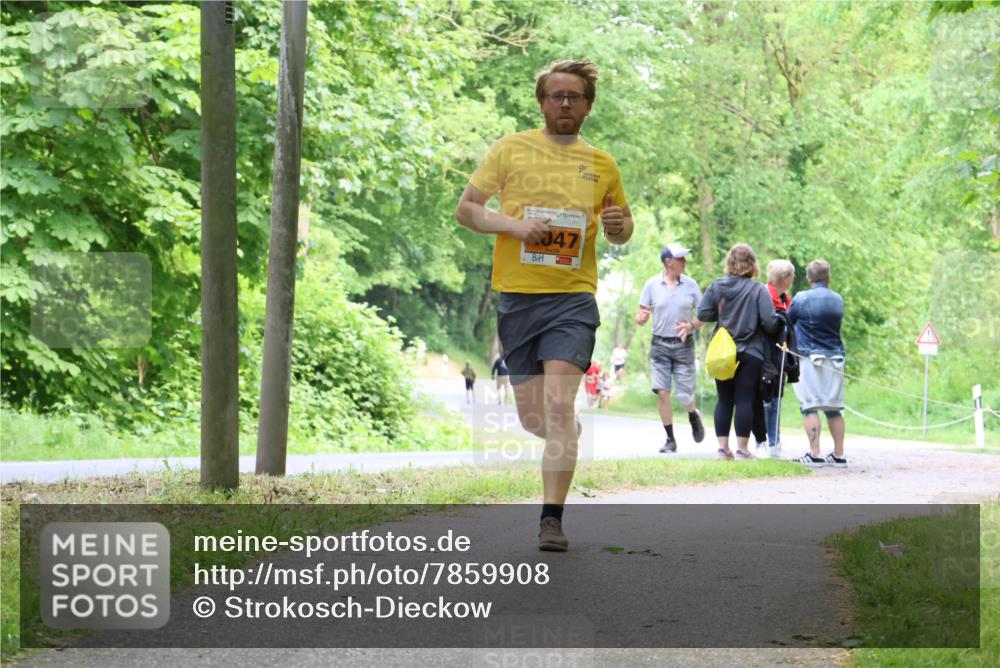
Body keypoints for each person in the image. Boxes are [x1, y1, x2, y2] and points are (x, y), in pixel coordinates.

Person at [455, 60, 633, 551]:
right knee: (537, 419)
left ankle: (551, 520)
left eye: (574, 96)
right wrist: (514, 227)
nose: (564, 104)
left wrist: (618, 223)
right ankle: (564, 432)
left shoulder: (602, 164)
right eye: (556, 95)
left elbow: (621, 228)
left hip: (573, 297)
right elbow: (466, 209)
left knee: (558, 403)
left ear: (588, 105)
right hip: (518, 299)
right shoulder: (511, 149)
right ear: (542, 102)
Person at [697, 243, 781, 460]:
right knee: (745, 399)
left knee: (724, 399)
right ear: (752, 264)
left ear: (730, 262)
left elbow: (704, 313)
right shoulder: (758, 289)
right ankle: (743, 449)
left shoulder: (717, 286)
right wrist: (780, 321)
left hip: (723, 352)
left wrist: (724, 313)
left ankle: (723, 449)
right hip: (750, 351)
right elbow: (770, 323)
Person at [636, 243, 706, 453]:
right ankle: (670, 439)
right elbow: (641, 314)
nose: (684, 262)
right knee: (663, 392)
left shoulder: (691, 285)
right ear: (668, 262)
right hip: (660, 345)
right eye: (680, 258)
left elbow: (704, 315)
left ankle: (693, 414)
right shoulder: (651, 284)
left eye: (685, 258)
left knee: (684, 395)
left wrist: (691, 325)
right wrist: (641, 318)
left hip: (684, 346)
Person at [787, 259, 847, 467]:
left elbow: (788, 321)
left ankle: (815, 453)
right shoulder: (838, 300)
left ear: (809, 277)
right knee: (834, 408)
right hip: (835, 358)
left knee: (809, 406)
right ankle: (839, 455)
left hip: (809, 359)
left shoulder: (801, 299)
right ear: (828, 277)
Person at [756, 259, 798, 458]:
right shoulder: (764, 295)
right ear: (785, 278)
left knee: (776, 401)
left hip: (781, 357)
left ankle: (775, 442)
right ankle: (764, 442)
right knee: (766, 400)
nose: (793, 280)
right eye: (792, 276)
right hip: (766, 356)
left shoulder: (786, 300)